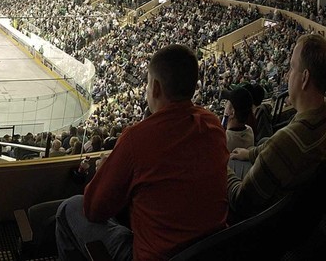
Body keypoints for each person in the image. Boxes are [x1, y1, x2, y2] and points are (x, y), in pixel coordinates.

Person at [55, 44, 228, 261]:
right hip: (211, 251)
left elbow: (93, 209)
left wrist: (104, 171)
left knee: (69, 208)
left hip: (154, 256)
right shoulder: (213, 125)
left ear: (155, 87)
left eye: (146, 84)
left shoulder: (137, 138)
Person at [228, 34, 326, 220]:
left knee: (228, 163)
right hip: (301, 217)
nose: (288, 75)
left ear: (304, 78)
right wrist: (250, 153)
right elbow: (272, 148)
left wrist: (219, 164)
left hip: (263, 227)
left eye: (291, 67)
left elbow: (241, 201)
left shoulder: (287, 141)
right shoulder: (319, 117)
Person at [222, 87, 255, 152]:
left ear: (232, 112)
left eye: (227, 103)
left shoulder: (224, 139)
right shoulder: (249, 131)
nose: (225, 106)